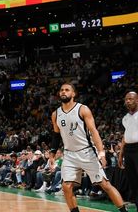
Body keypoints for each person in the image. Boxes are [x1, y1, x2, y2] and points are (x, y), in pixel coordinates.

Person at [50, 83, 128, 212]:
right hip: (69, 154)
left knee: (105, 185)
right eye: (62, 90)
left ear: (73, 94)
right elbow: (56, 136)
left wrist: (101, 153)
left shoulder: (82, 109)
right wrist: (52, 154)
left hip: (87, 151)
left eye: (67, 90)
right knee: (66, 186)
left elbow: (94, 131)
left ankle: (123, 210)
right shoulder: (55, 114)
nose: (64, 92)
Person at [118, 91, 138, 205]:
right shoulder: (125, 118)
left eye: (130, 99)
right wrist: (121, 155)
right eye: (126, 99)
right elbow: (125, 137)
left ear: (137, 100)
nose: (128, 101)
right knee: (132, 181)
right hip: (128, 150)